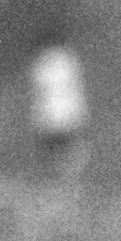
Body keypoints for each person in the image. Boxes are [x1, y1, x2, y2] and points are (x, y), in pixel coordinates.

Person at [27, 32, 89, 185]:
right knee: (67, 145)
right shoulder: (68, 60)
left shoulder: (42, 62)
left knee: (53, 147)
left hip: (50, 112)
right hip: (66, 111)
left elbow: (38, 89)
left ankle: (56, 176)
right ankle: (69, 175)